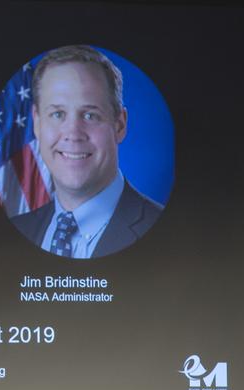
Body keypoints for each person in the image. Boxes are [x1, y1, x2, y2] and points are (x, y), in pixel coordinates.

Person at [11, 45, 163, 258]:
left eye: (90, 115)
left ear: (119, 125)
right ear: (37, 123)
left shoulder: (164, 231)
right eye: (57, 114)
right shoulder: (17, 230)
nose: (73, 133)